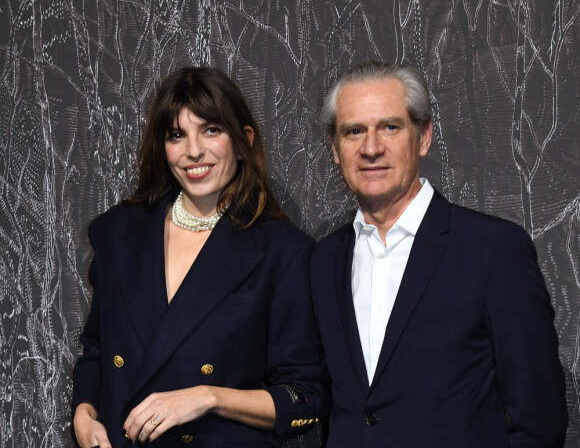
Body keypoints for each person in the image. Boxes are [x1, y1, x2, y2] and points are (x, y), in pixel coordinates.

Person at [310, 61, 568, 447]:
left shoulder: (493, 250)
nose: (371, 148)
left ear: (424, 136)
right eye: (354, 131)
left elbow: (539, 417)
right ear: (335, 148)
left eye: (390, 127)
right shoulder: (323, 261)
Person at [72, 67, 328, 448]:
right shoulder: (118, 233)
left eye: (211, 130)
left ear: (243, 140)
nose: (193, 150)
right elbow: (96, 350)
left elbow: (306, 397)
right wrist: (83, 413)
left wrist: (207, 397)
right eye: (177, 135)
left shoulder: (283, 251)